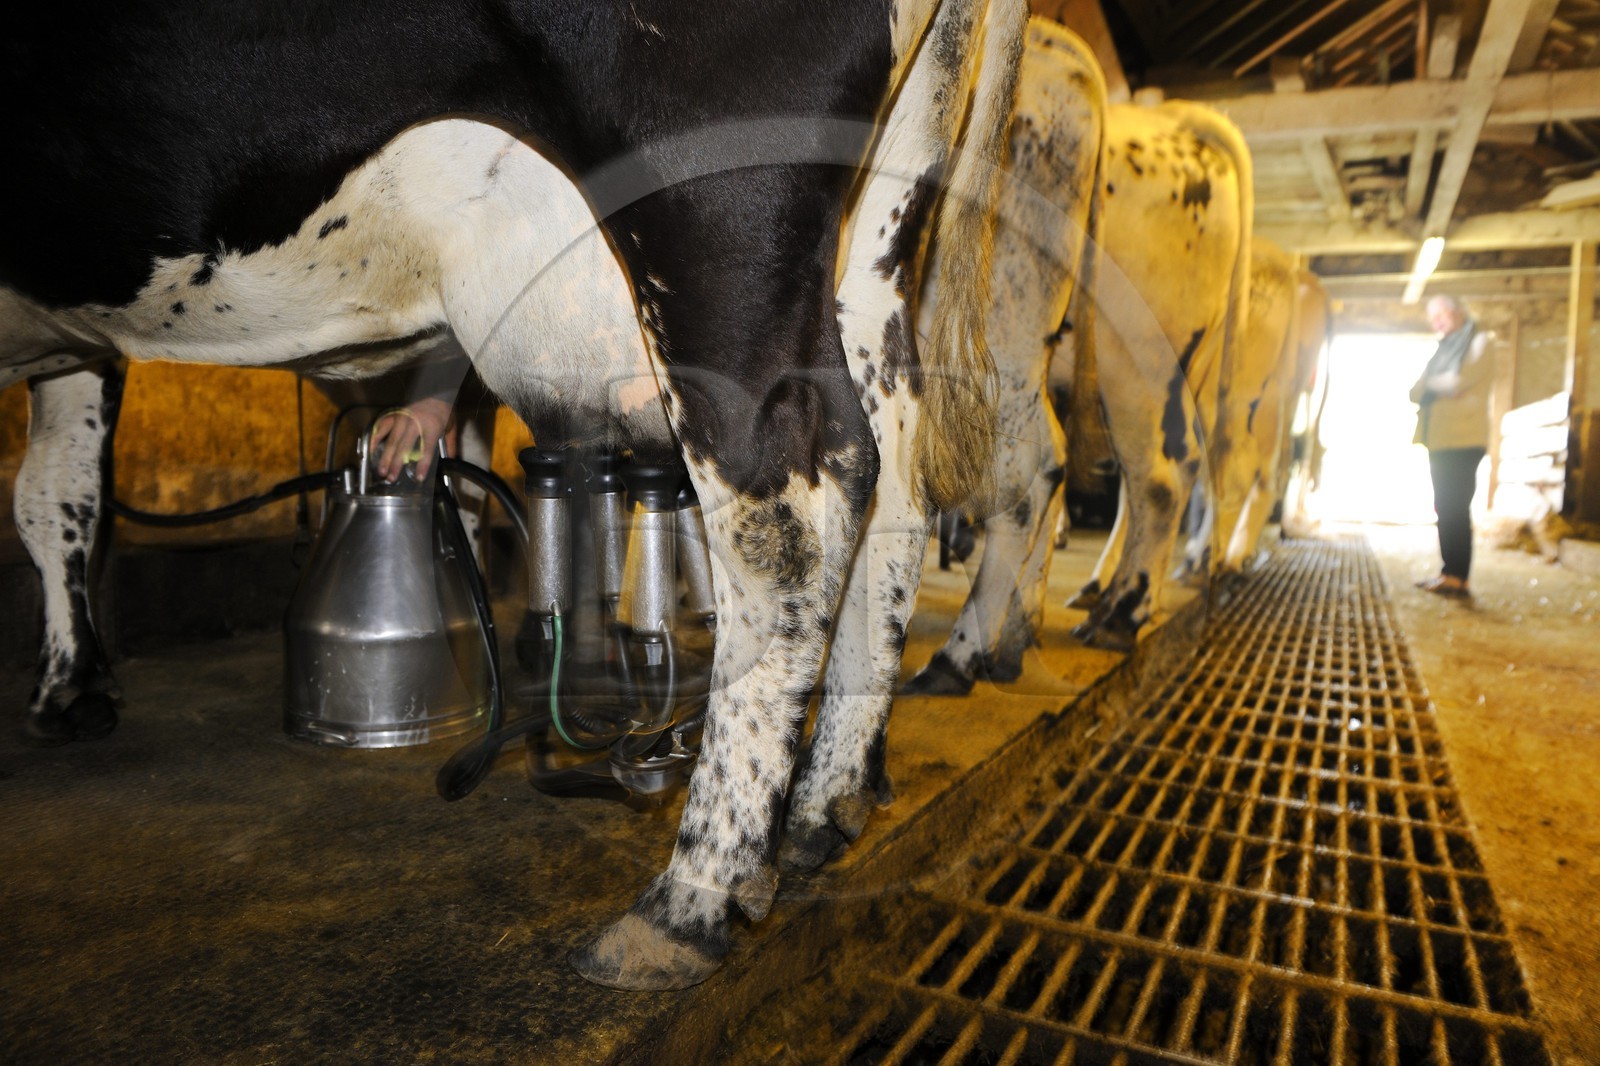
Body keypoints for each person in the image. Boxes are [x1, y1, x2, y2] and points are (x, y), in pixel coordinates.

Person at [1409, 295, 1493, 597]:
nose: (1437, 322)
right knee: (1444, 505)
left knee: (1455, 505)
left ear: (1458, 313)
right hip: (1440, 438)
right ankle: (1449, 572)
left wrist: (1436, 384)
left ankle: (1458, 575)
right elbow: (1416, 391)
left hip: (1464, 438)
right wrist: (1436, 385)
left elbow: (1458, 380)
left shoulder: (1480, 342)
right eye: (1433, 317)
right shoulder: (1444, 349)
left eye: (1441, 314)